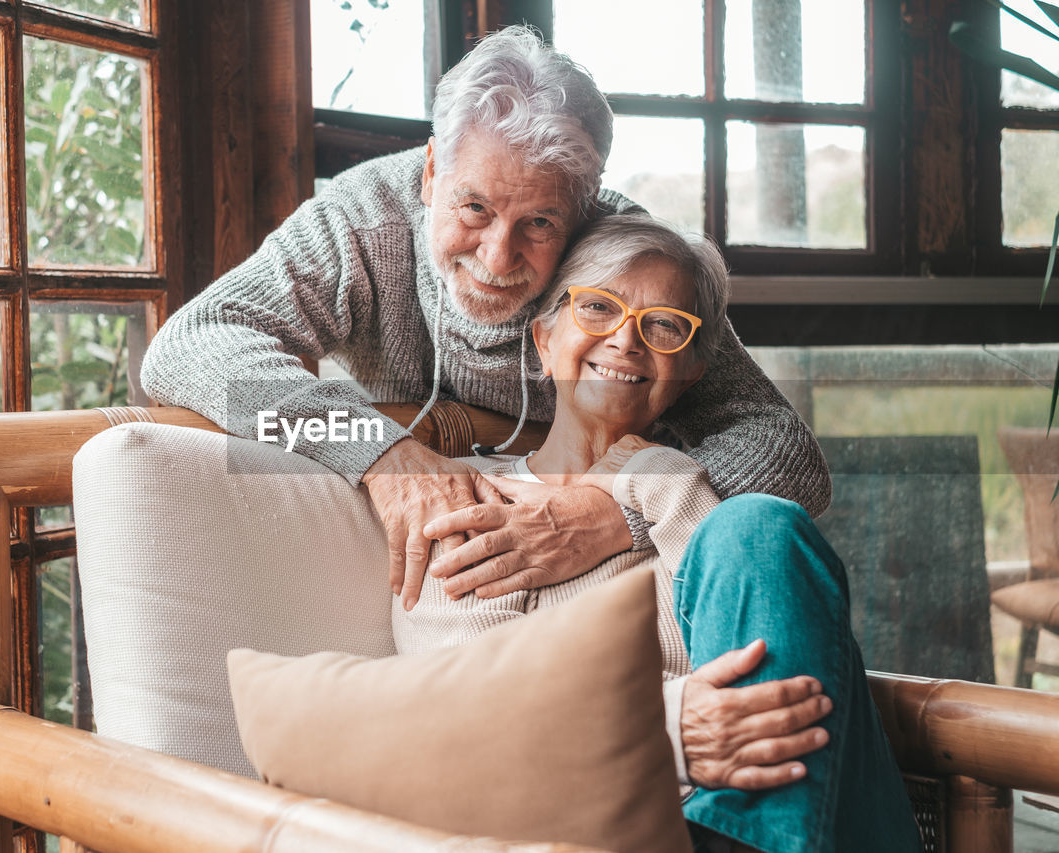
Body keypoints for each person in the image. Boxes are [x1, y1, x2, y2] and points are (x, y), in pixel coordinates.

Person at [139, 25, 831, 613]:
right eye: (474, 208)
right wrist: (381, 451)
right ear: (433, 170)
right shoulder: (361, 218)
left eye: (538, 222)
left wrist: (617, 512)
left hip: (631, 578)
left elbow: (787, 451)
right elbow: (193, 343)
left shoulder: (618, 255)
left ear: (583, 211)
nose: (498, 256)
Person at [395, 213, 922, 853]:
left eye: (664, 325)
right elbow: (475, 711)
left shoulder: (695, 500)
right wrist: (667, 726)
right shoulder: (470, 502)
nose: (625, 340)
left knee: (763, 524)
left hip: (743, 811)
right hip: (613, 820)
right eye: (596, 308)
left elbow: (757, 661)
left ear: (694, 370)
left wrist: (652, 475)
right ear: (542, 339)